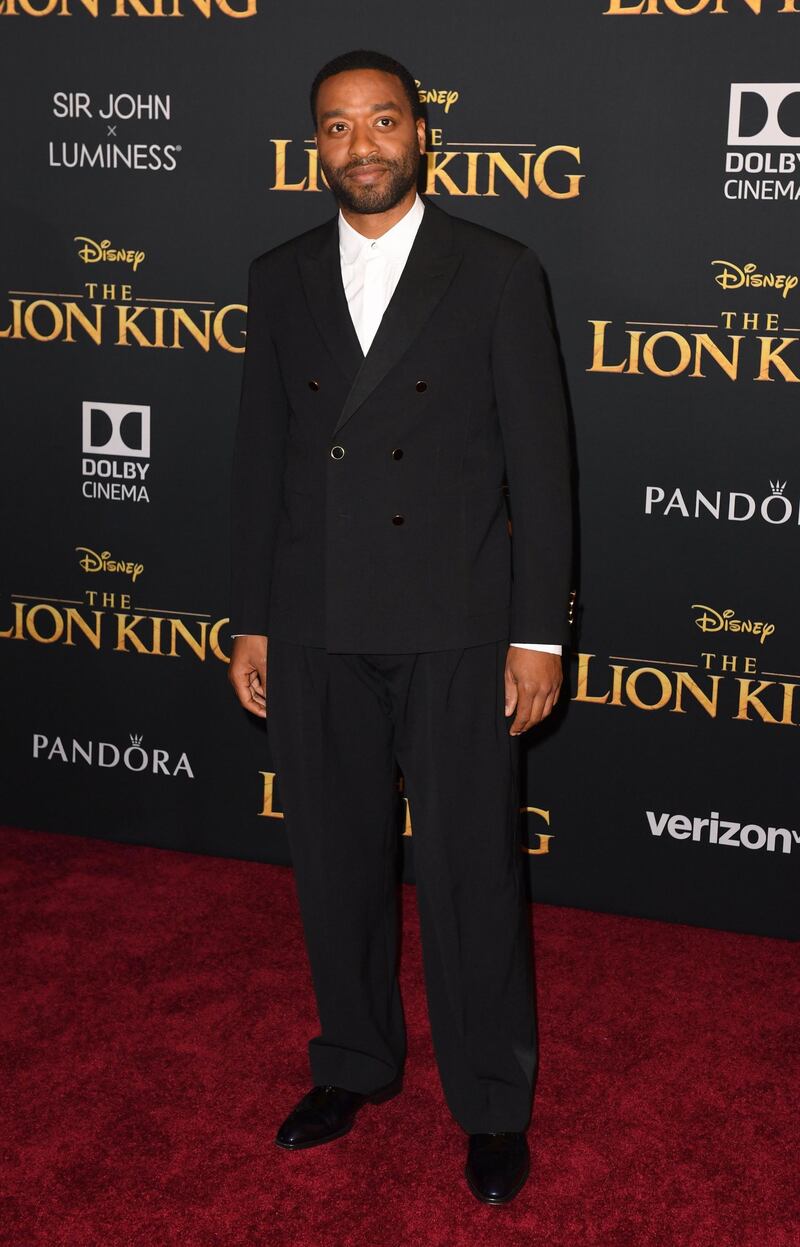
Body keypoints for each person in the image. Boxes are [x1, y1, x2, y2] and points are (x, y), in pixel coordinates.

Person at [228, 48, 573, 1206]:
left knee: (473, 870)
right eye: (336, 127)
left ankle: (488, 1099)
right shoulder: (275, 278)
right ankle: (355, 1061)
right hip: (316, 618)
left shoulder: (496, 269)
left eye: (382, 123)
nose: (361, 146)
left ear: (422, 136)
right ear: (312, 146)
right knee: (332, 861)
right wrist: (253, 621)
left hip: (457, 620)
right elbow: (259, 466)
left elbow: (542, 467)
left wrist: (539, 634)